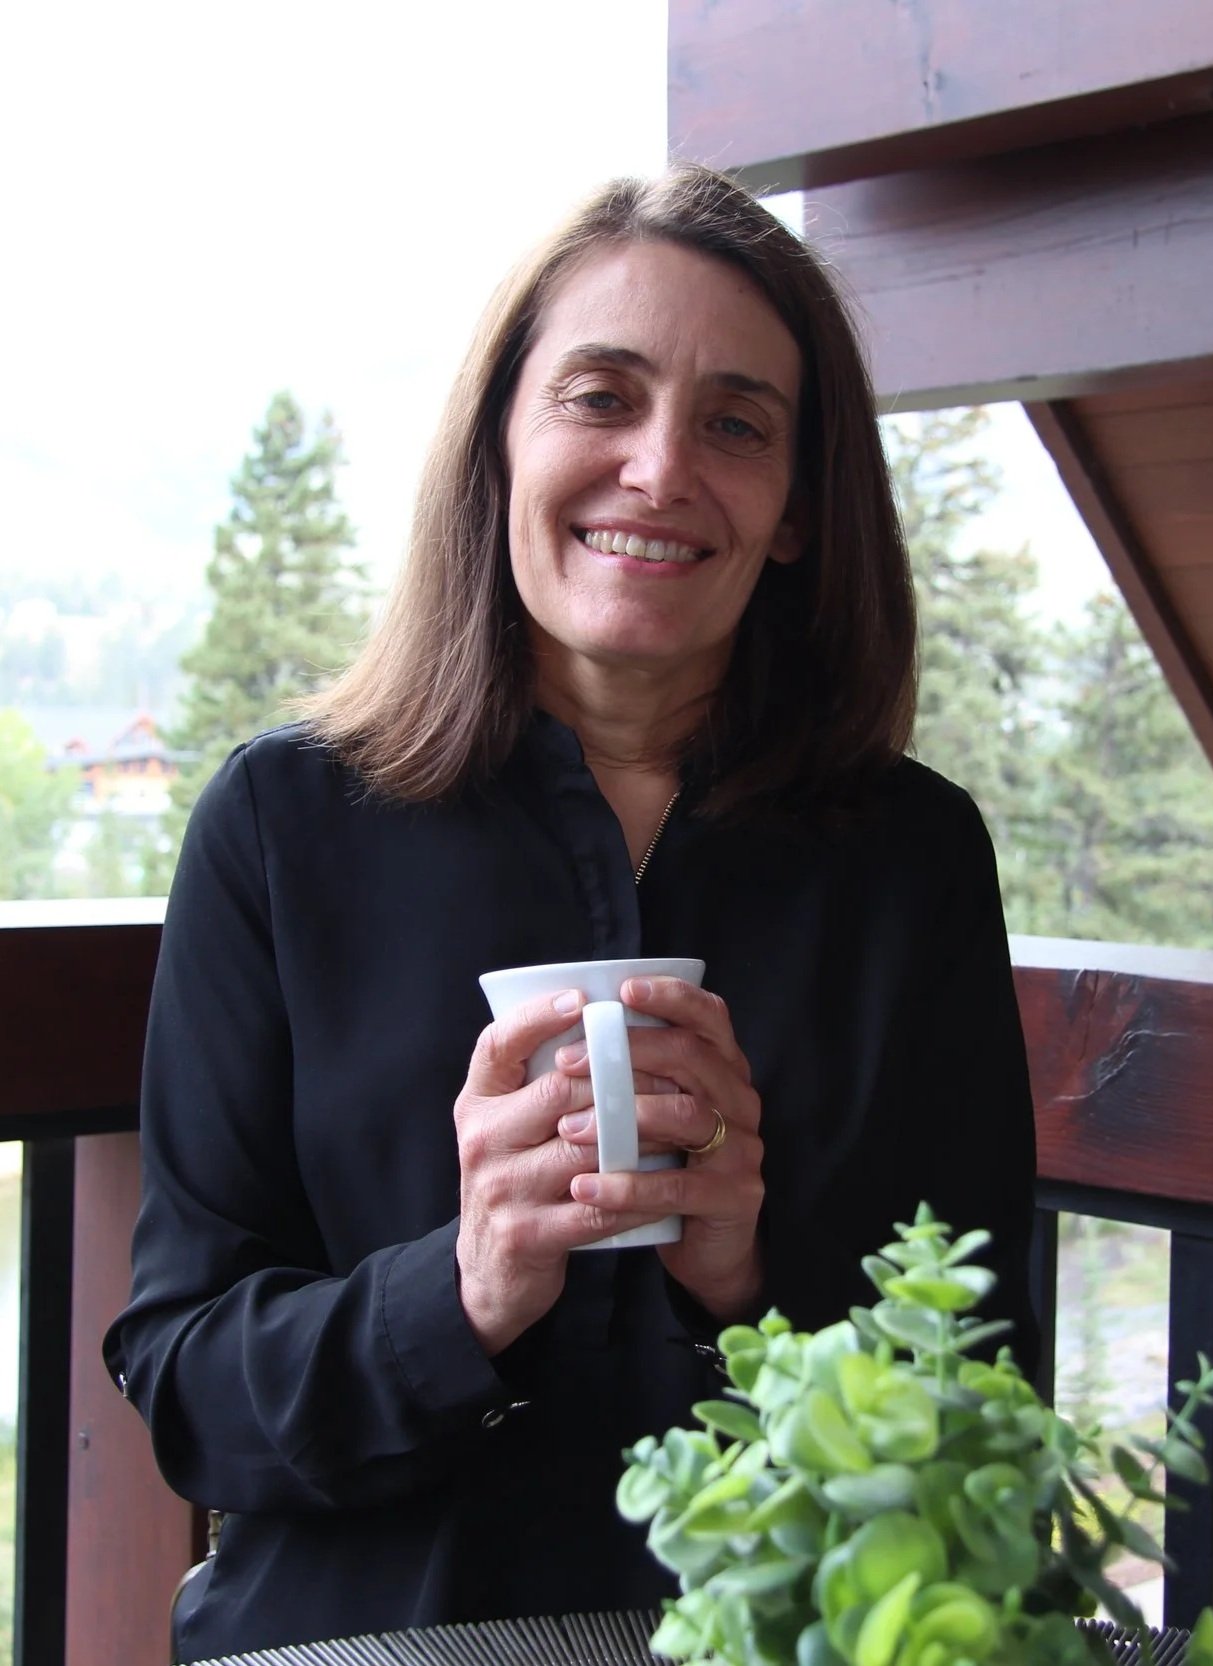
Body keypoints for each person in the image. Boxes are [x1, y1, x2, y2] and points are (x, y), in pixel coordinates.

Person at [105, 162, 1038, 1662]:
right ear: (497, 449)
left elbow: (988, 1398)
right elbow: (187, 1381)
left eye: (734, 423)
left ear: (795, 509)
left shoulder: (908, 858)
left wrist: (745, 1276)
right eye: (601, 397)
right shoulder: (280, 827)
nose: (661, 468)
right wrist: (461, 1286)